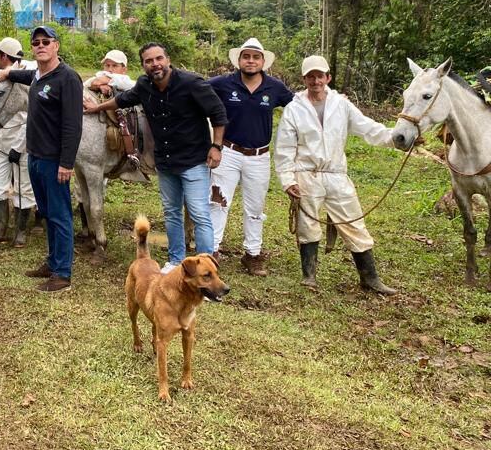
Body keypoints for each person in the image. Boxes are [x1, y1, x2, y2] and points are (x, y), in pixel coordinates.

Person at [85, 43, 226, 273]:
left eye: (158, 58)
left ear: (167, 59)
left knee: (199, 214)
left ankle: (206, 268)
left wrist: (216, 146)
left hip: (193, 161)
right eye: (148, 61)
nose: (155, 64)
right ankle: (175, 260)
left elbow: (218, 113)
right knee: (171, 213)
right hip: (166, 161)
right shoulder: (144, 85)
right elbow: (122, 100)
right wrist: (97, 108)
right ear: (143, 65)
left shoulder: (192, 83)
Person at [273, 55, 397, 295]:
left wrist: (396, 138)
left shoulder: (341, 105)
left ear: (328, 78)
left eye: (320, 76)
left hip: (336, 173)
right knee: (307, 223)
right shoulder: (294, 109)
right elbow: (284, 148)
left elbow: (367, 128)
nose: (315, 81)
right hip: (306, 173)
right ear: (304, 79)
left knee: (353, 221)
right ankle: (309, 276)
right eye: (311, 76)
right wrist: (288, 180)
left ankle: (370, 278)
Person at [0, 26, 83, 293]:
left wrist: (66, 163)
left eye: (46, 41)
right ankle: (53, 261)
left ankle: (62, 273)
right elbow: (23, 74)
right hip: (34, 156)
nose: (41, 46)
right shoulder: (37, 74)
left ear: (56, 45)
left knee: (60, 215)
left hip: (54, 160)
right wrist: (6, 72)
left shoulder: (67, 79)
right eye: (36, 43)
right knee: (46, 213)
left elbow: (72, 125)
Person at [207, 38, 294, 276]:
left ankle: (252, 254)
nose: (251, 61)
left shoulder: (275, 87)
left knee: (255, 207)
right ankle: (211, 252)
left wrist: (333, 98)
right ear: (239, 60)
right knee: (218, 202)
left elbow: (299, 104)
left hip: (259, 155)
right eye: (246, 56)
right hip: (228, 151)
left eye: (256, 57)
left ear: (263, 61)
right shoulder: (224, 83)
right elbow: (196, 89)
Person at [0, 36, 37, 248]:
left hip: (22, 143)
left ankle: (21, 232)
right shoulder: (1, 75)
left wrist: (19, 147)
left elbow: (32, 117)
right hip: (0, 141)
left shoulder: (27, 77)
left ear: (4, 56)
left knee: (24, 187)